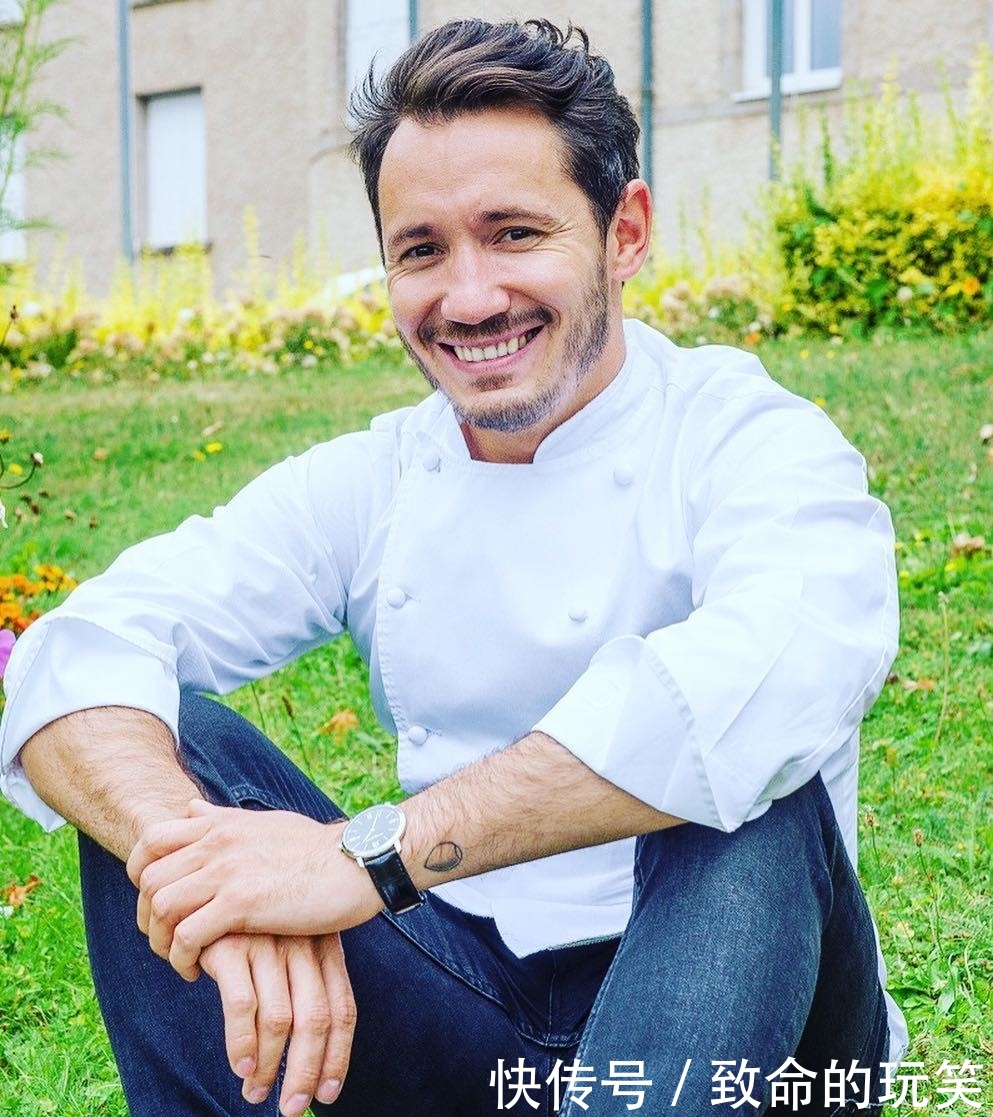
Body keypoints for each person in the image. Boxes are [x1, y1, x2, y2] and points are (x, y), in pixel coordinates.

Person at [0, 18, 903, 1117]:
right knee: (159, 754)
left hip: (745, 1027)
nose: (469, 298)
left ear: (624, 232)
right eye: (422, 250)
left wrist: (364, 859)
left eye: (514, 233)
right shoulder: (375, 478)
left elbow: (775, 670)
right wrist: (203, 871)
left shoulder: (750, 440)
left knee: (746, 785)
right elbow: (82, 648)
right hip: (472, 1014)